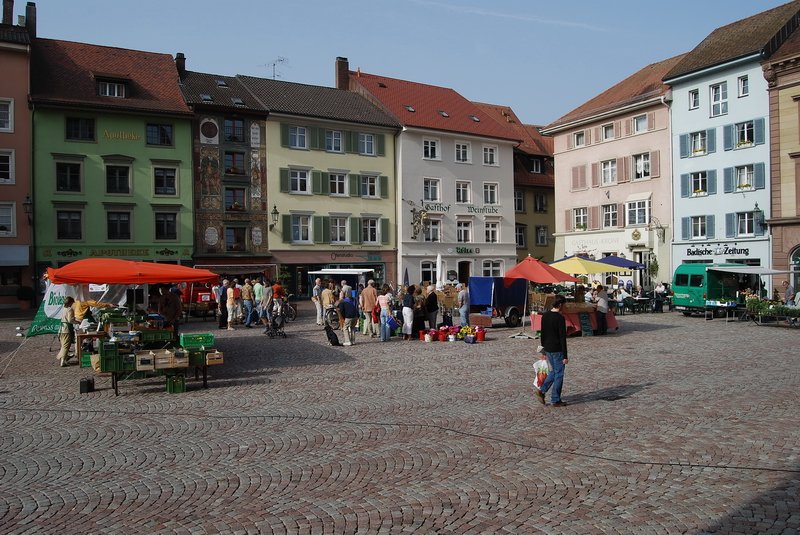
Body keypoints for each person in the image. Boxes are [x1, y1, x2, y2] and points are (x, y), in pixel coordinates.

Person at [535, 294, 569, 407]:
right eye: (564, 305)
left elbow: (542, 333)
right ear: (560, 305)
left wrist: (543, 350)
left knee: (554, 371)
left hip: (548, 348)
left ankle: (542, 391)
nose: (565, 307)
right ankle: (555, 399)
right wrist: (565, 355)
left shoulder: (545, 315)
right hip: (557, 349)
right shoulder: (560, 318)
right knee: (559, 374)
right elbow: (562, 337)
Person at [57, 296, 80, 367]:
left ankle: (65, 358)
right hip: (66, 330)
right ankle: (62, 361)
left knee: (63, 345)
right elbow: (70, 320)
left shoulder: (64, 308)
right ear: (70, 302)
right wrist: (77, 322)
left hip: (61, 329)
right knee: (66, 346)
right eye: (72, 302)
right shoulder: (70, 309)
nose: (73, 304)